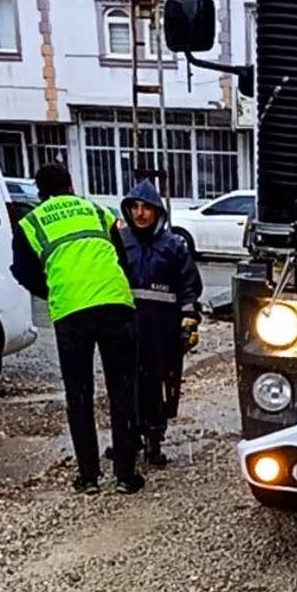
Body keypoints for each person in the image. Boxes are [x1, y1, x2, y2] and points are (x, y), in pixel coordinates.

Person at [10, 162, 144, 496]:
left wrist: (55, 290)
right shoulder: (98, 212)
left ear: (40, 194)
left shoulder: (31, 222)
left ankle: (89, 477)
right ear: (71, 186)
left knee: (80, 394)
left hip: (72, 312)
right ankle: (126, 476)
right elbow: (121, 261)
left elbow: (23, 271)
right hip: (115, 304)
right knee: (122, 390)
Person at [118, 179, 203, 467]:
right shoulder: (120, 243)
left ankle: (155, 441)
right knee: (126, 385)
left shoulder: (173, 246)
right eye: (135, 207)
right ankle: (128, 439)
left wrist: (189, 320)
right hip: (127, 329)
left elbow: (189, 286)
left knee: (159, 386)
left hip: (162, 331)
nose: (140, 213)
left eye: (146, 208)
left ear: (157, 211)